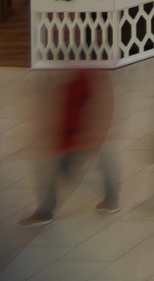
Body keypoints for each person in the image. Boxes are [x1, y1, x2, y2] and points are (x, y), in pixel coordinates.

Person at [22, 64, 117, 222]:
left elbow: (97, 101)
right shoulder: (81, 70)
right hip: (72, 133)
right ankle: (111, 199)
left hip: (77, 135)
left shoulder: (87, 72)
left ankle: (45, 212)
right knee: (99, 160)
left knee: (57, 170)